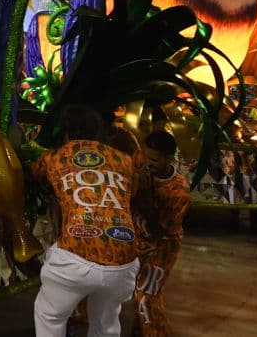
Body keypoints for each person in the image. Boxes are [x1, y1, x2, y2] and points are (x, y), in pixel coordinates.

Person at [30, 104, 141, 337]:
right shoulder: (125, 160)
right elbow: (133, 193)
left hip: (75, 255)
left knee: (49, 315)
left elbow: (34, 174)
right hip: (124, 259)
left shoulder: (54, 158)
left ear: (67, 133)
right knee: (106, 323)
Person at [132, 131, 190, 336]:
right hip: (136, 239)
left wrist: (145, 194)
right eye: (145, 156)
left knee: (147, 296)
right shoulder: (140, 160)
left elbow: (159, 230)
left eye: (154, 160)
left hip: (162, 245)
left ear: (169, 159)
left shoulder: (178, 192)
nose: (146, 162)